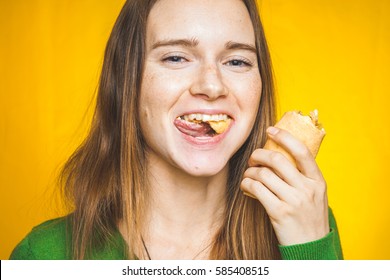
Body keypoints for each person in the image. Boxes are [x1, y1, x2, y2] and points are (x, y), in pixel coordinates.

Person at [10, 0, 342, 260]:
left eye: (237, 61)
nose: (212, 85)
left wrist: (311, 253)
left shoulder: (308, 229)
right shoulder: (47, 256)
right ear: (127, 81)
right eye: (175, 58)